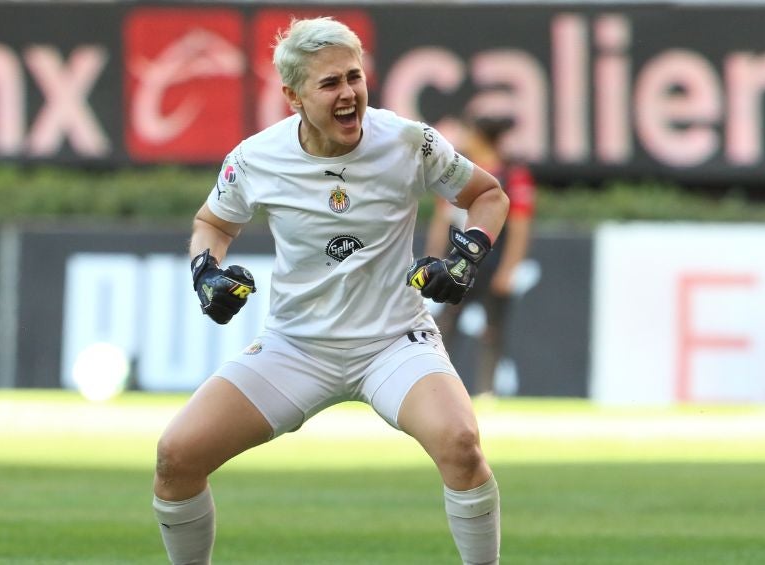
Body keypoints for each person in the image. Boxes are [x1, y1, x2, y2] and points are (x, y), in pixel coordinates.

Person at [151, 16, 509, 565]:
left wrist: (467, 255)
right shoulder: (255, 158)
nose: (349, 94)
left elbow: (489, 196)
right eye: (330, 84)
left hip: (394, 342)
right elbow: (213, 224)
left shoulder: (409, 141)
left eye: (355, 77)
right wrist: (205, 272)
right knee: (176, 457)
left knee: (462, 446)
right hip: (296, 346)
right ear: (292, 96)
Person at [426, 116, 536, 397]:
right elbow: (443, 219)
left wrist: (509, 268)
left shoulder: (513, 176)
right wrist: (434, 257)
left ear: (479, 137)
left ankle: (488, 390)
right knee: (446, 323)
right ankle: (435, 382)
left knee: (493, 328)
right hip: (459, 260)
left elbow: (520, 225)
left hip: (493, 261)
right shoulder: (457, 171)